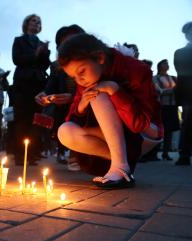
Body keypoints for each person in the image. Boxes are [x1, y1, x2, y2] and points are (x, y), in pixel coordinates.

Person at [56, 33, 163, 189]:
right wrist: (81, 106)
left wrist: (116, 91)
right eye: (73, 77)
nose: (80, 80)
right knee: (65, 131)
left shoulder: (135, 70)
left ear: (100, 58)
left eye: (81, 72)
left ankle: (121, 167)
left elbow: (140, 123)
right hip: (119, 138)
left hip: (146, 133)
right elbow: (71, 117)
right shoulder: (88, 78)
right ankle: (121, 161)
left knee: (99, 94)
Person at [35, 24, 85, 170]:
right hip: (64, 106)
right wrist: (44, 94)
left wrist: (74, 97)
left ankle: (82, 152)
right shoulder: (57, 66)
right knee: (61, 114)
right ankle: (66, 150)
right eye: (64, 44)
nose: (69, 47)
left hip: (88, 102)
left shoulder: (93, 60)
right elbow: (51, 86)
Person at [11, 14, 50, 165]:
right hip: (23, 83)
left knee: (36, 120)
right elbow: (17, 59)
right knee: (22, 119)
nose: (36, 24)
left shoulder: (41, 42)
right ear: (27, 24)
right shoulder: (19, 40)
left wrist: (45, 54)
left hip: (38, 84)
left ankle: (32, 153)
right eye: (34, 21)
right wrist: (35, 54)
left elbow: (44, 66)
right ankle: (20, 156)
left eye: (39, 22)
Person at [174, 22, 192, 166]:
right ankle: (184, 155)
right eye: (191, 31)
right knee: (187, 123)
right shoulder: (180, 52)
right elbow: (182, 73)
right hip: (189, 94)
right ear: (186, 35)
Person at [153, 59, 179, 161]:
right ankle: (154, 153)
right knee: (160, 130)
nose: (167, 65)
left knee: (170, 131)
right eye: (164, 63)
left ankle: (165, 153)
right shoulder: (155, 78)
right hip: (162, 107)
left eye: (167, 63)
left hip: (172, 106)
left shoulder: (173, 78)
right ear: (159, 66)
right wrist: (173, 90)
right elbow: (159, 91)